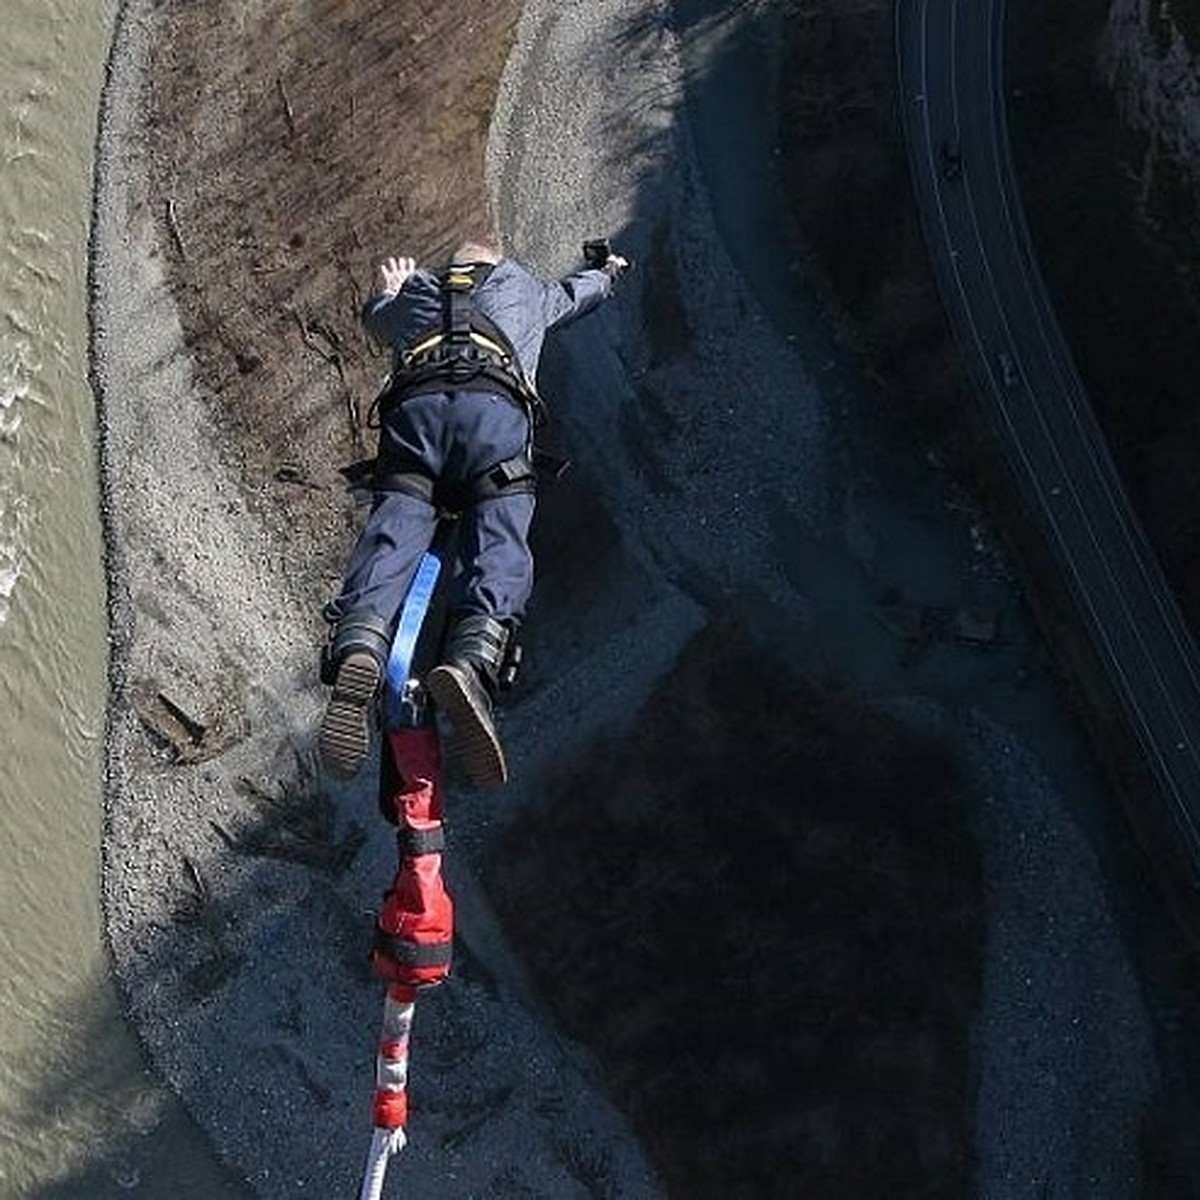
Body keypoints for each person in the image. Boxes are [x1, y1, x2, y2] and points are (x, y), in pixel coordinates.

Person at [319, 237, 627, 787]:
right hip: (493, 418)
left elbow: (376, 321)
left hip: (417, 416)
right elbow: (582, 294)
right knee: (500, 535)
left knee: (396, 524)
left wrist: (387, 292)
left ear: (451, 269)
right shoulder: (527, 290)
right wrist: (609, 270)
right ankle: (471, 658)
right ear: (497, 262)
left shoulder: (418, 292)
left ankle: (360, 641)